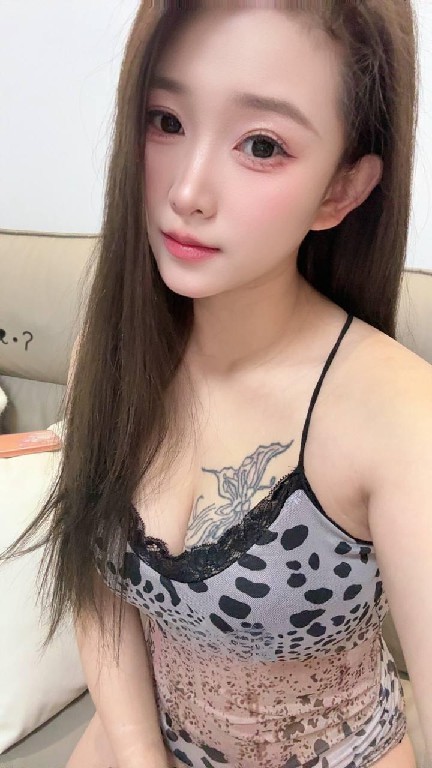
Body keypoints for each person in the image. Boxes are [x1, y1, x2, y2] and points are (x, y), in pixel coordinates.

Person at [1, 1, 431, 766]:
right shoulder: (111, 351)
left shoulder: (398, 417)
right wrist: (141, 755)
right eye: (165, 121)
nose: (188, 191)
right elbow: (94, 584)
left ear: (341, 188)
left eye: (261, 144)